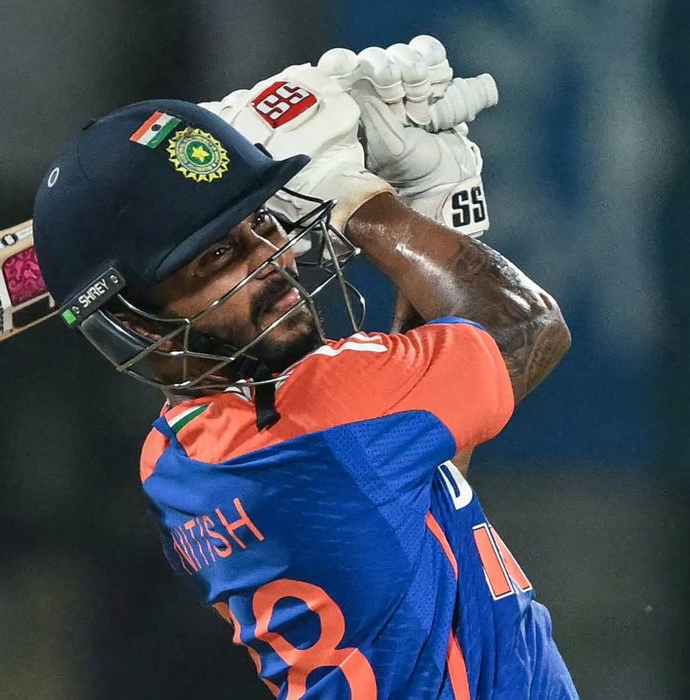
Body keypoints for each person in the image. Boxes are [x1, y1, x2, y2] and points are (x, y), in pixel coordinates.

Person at [32, 40, 577, 699]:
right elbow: (527, 326)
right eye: (217, 257)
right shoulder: (324, 413)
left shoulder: (174, 462)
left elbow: (416, 473)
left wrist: (426, 209)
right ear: (142, 324)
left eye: (260, 224)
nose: (270, 260)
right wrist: (363, 203)